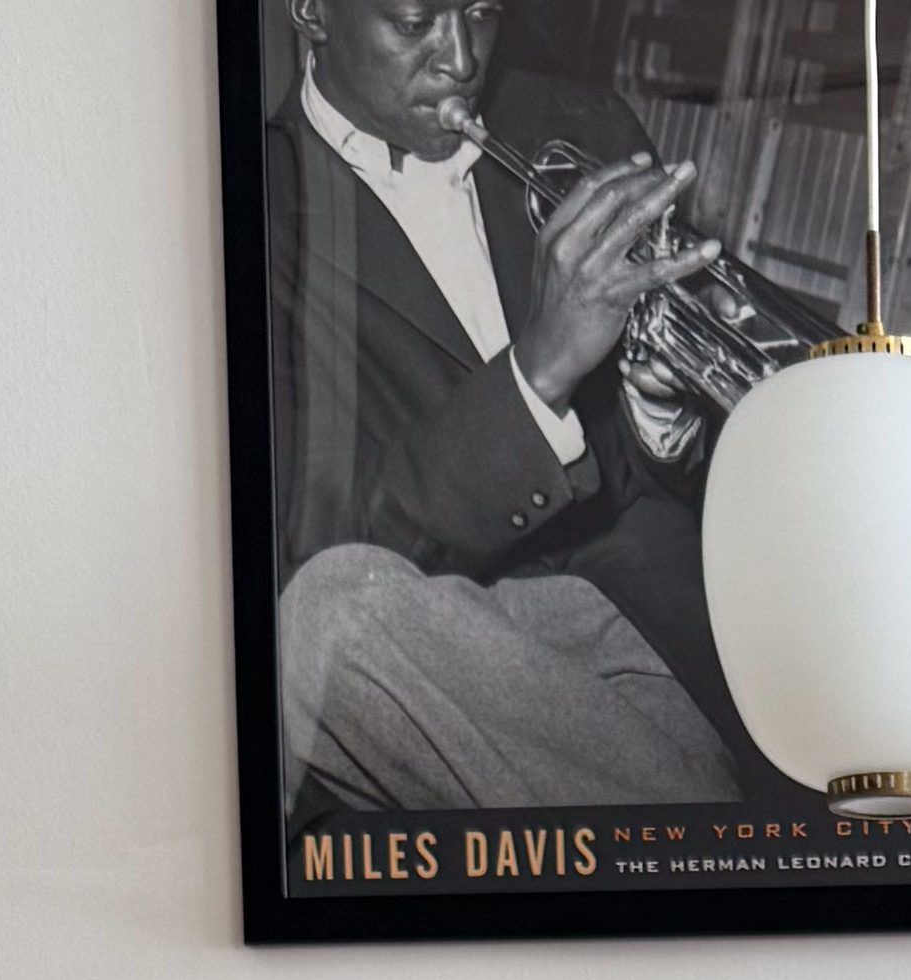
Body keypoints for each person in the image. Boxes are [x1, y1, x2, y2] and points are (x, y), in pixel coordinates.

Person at [260, 0, 779, 812]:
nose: (461, 57)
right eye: (415, 22)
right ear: (313, 12)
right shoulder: (255, 219)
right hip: (434, 665)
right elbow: (319, 536)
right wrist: (536, 374)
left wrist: (660, 411)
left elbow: (674, 484)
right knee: (318, 622)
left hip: (649, 644)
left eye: (482, 12)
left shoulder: (583, 125)